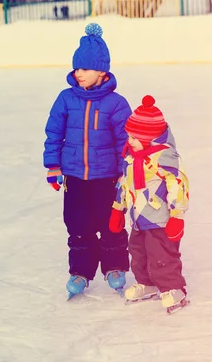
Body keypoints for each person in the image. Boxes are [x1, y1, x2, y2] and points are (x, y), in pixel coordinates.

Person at [43, 23, 132, 299]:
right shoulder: (66, 99)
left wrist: (124, 172)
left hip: (107, 177)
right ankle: (80, 271)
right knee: (78, 225)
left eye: (85, 68)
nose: (78, 73)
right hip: (74, 177)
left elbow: (125, 142)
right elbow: (54, 132)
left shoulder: (116, 104)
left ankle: (114, 267)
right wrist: (53, 166)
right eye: (76, 68)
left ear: (102, 71)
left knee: (111, 224)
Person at [109, 95, 191, 312]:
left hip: (161, 219)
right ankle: (146, 284)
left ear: (150, 138)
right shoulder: (131, 157)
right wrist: (118, 209)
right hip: (139, 218)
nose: (130, 141)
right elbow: (125, 184)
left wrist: (177, 215)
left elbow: (178, 184)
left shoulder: (165, 157)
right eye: (129, 136)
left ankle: (174, 288)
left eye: (134, 137)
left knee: (162, 254)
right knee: (138, 252)